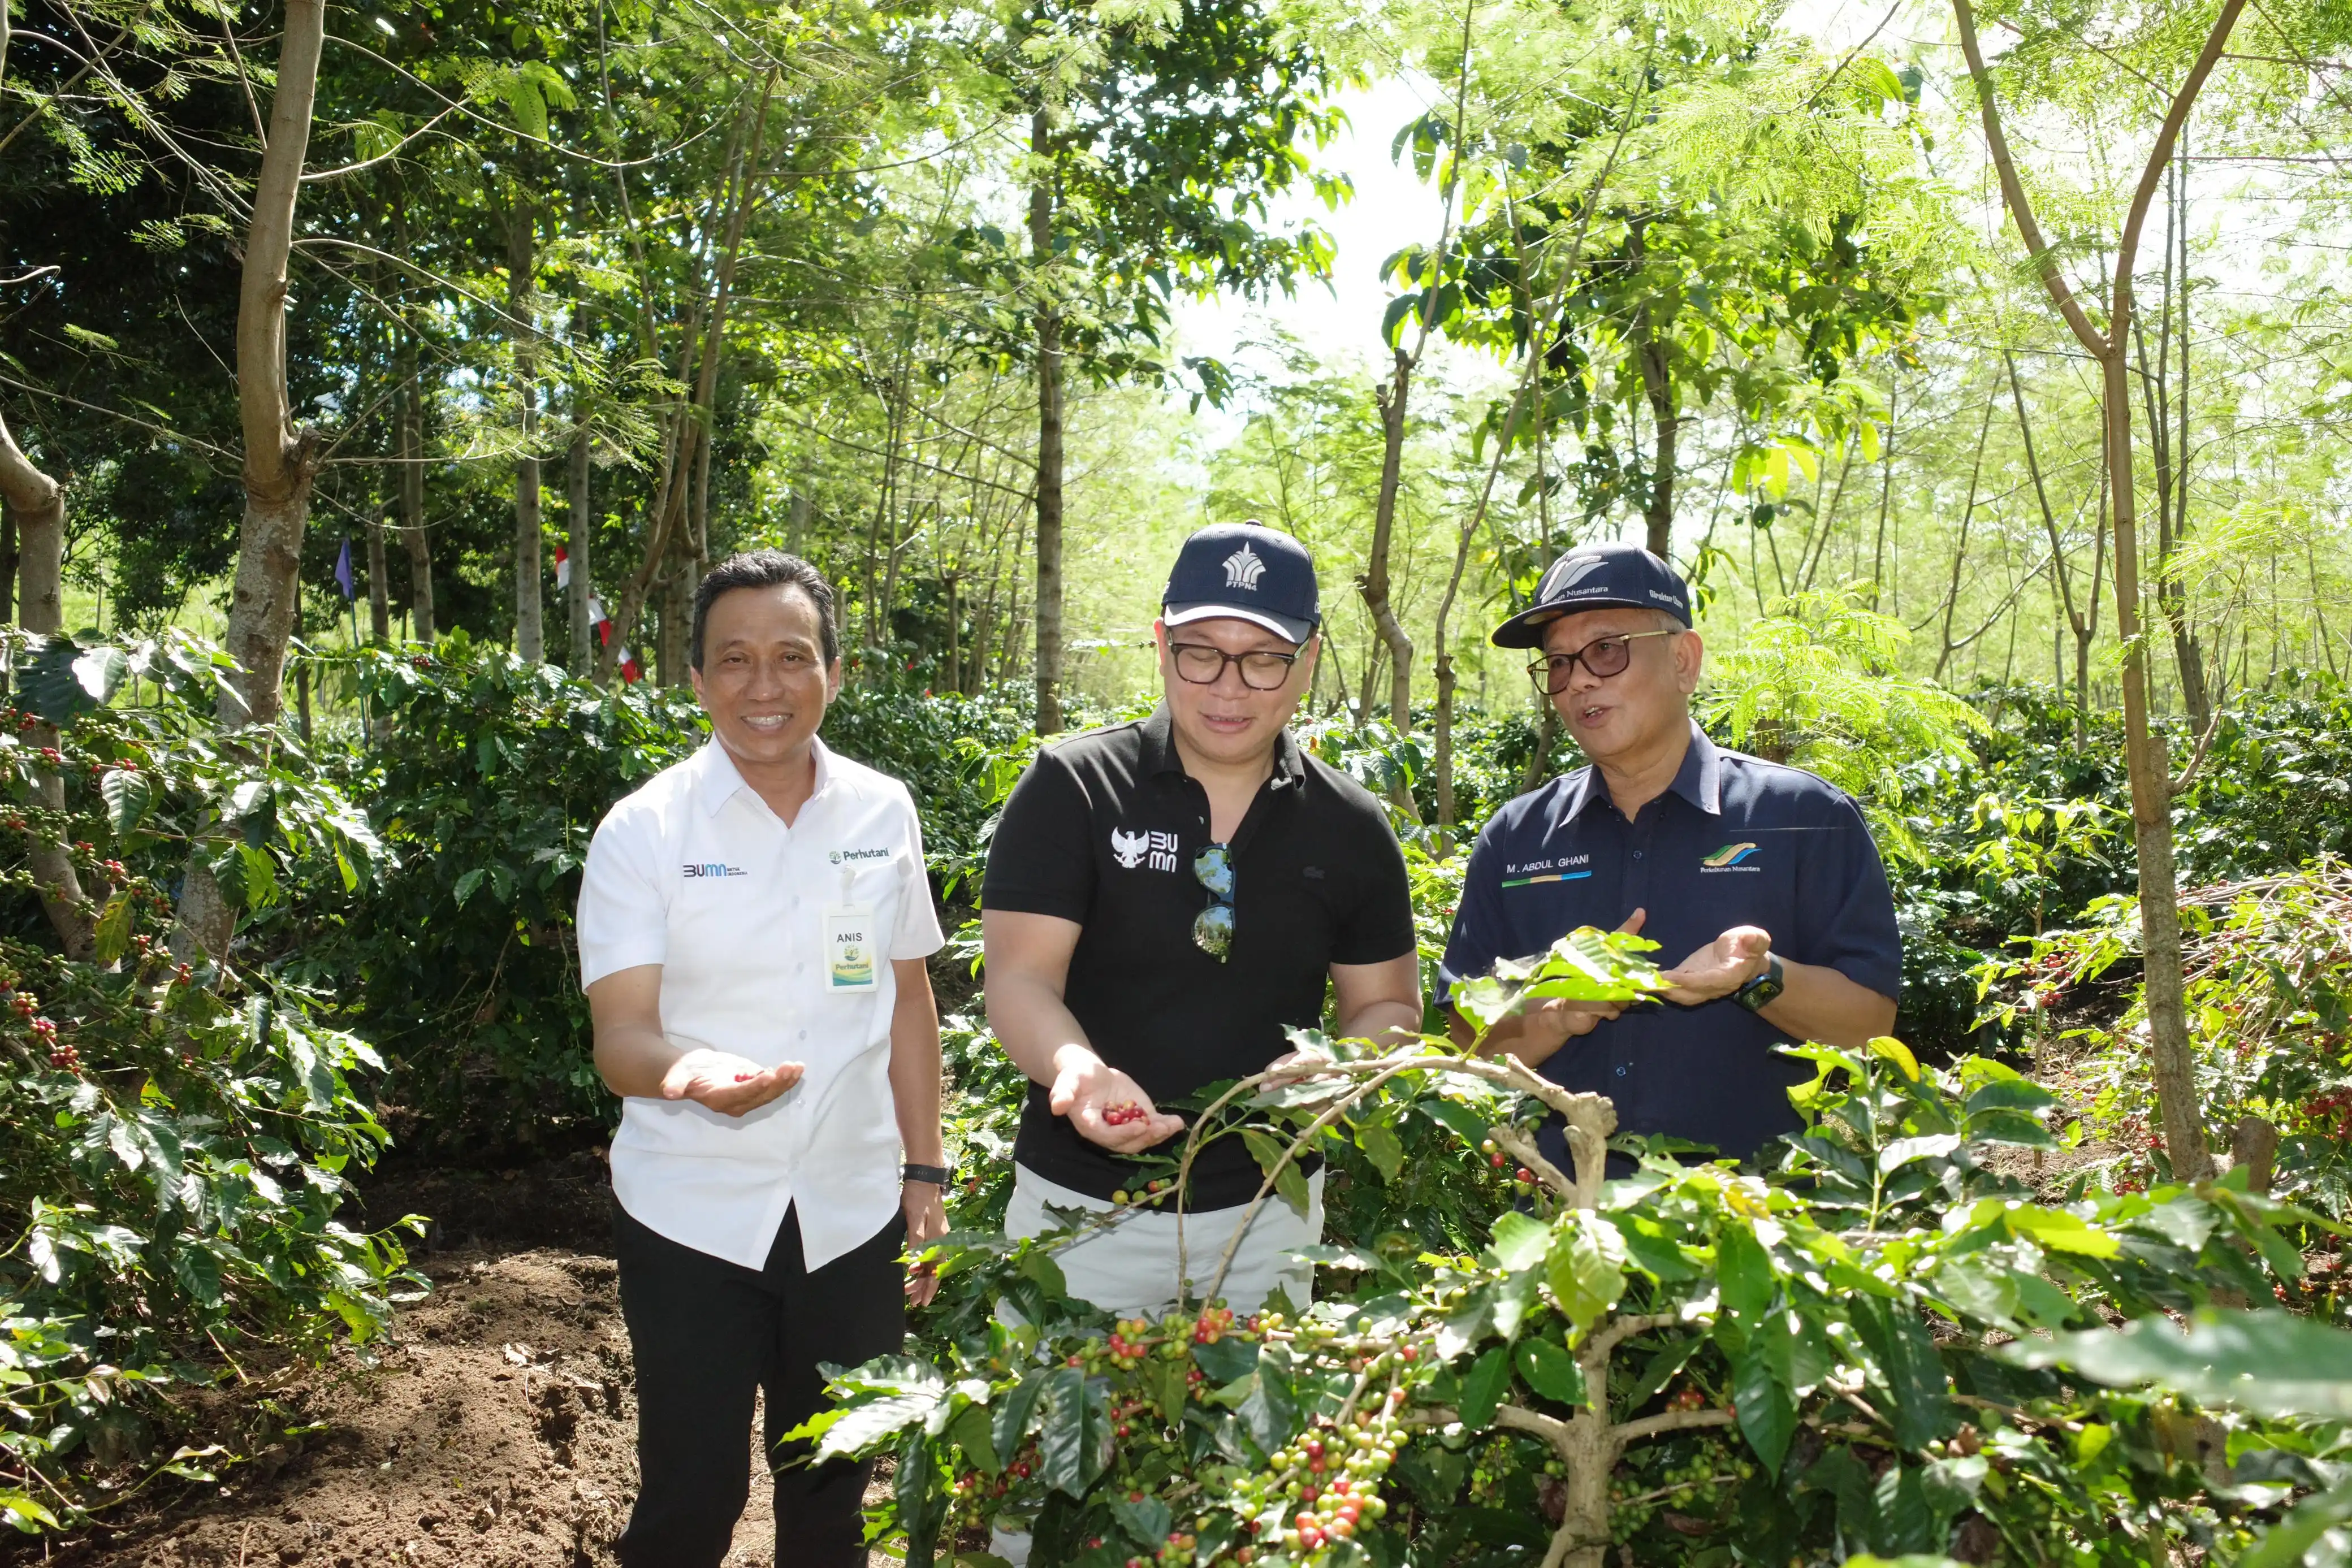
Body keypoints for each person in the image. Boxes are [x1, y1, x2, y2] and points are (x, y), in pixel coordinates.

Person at [576, 551, 949, 1568]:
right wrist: (685, 1074)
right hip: (691, 1208)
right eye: (732, 659)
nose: (764, 685)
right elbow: (623, 1031)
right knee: (692, 1495)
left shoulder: (883, 811)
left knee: (833, 1493)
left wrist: (926, 1170)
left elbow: (908, 1000)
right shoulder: (644, 830)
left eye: (791, 655)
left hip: (852, 1205)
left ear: (835, 668)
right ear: (694, 679)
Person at [982, 522, 1423, 1320]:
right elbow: (1021, 977)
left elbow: (1387, 1006)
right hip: (1078, 1214)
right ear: (1161, 644)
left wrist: (1343, 1059)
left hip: (1267, 1216)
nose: (1229, 688)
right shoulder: (1073, 788)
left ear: (1309, 660)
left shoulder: (1352, 826)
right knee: (1064, 1440)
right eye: (1202, 652)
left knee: (1265, 1444)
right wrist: (1077, 1070)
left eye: (1263, 659)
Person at [1441, 542, 1901, 1173]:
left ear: (1683, 660)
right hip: (1562, 1221)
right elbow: (1466, 1040)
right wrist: (1559, 1014)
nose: (1577, 680)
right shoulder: (1517, 838)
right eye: (1556, 662)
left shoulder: (1801, 816)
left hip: (1751, 1224)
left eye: (1605, 650)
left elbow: (1869, 1026)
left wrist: (1758, 975)